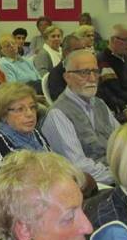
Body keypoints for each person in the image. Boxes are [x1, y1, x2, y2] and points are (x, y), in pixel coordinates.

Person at [42, 50, 121, 185]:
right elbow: (78, 167)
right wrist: (121, 175)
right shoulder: (58, 114)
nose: (92, 78)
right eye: (84, 72)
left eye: (95, 71)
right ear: (67, 77)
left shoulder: (100, 104)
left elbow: (122, 141)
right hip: (95, 184)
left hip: (116, 171)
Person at [0, 83, 52, 196]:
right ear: (3, 114)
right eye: (20, 109)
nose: (30, 114)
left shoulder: (35, 134)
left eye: (32, 107)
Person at [47, 34, 89, 102]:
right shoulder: (56, 74)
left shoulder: (85, 69)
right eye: (77, 50)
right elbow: (60, 100)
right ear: (66, 52)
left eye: (83, 50)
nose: (82, 54)